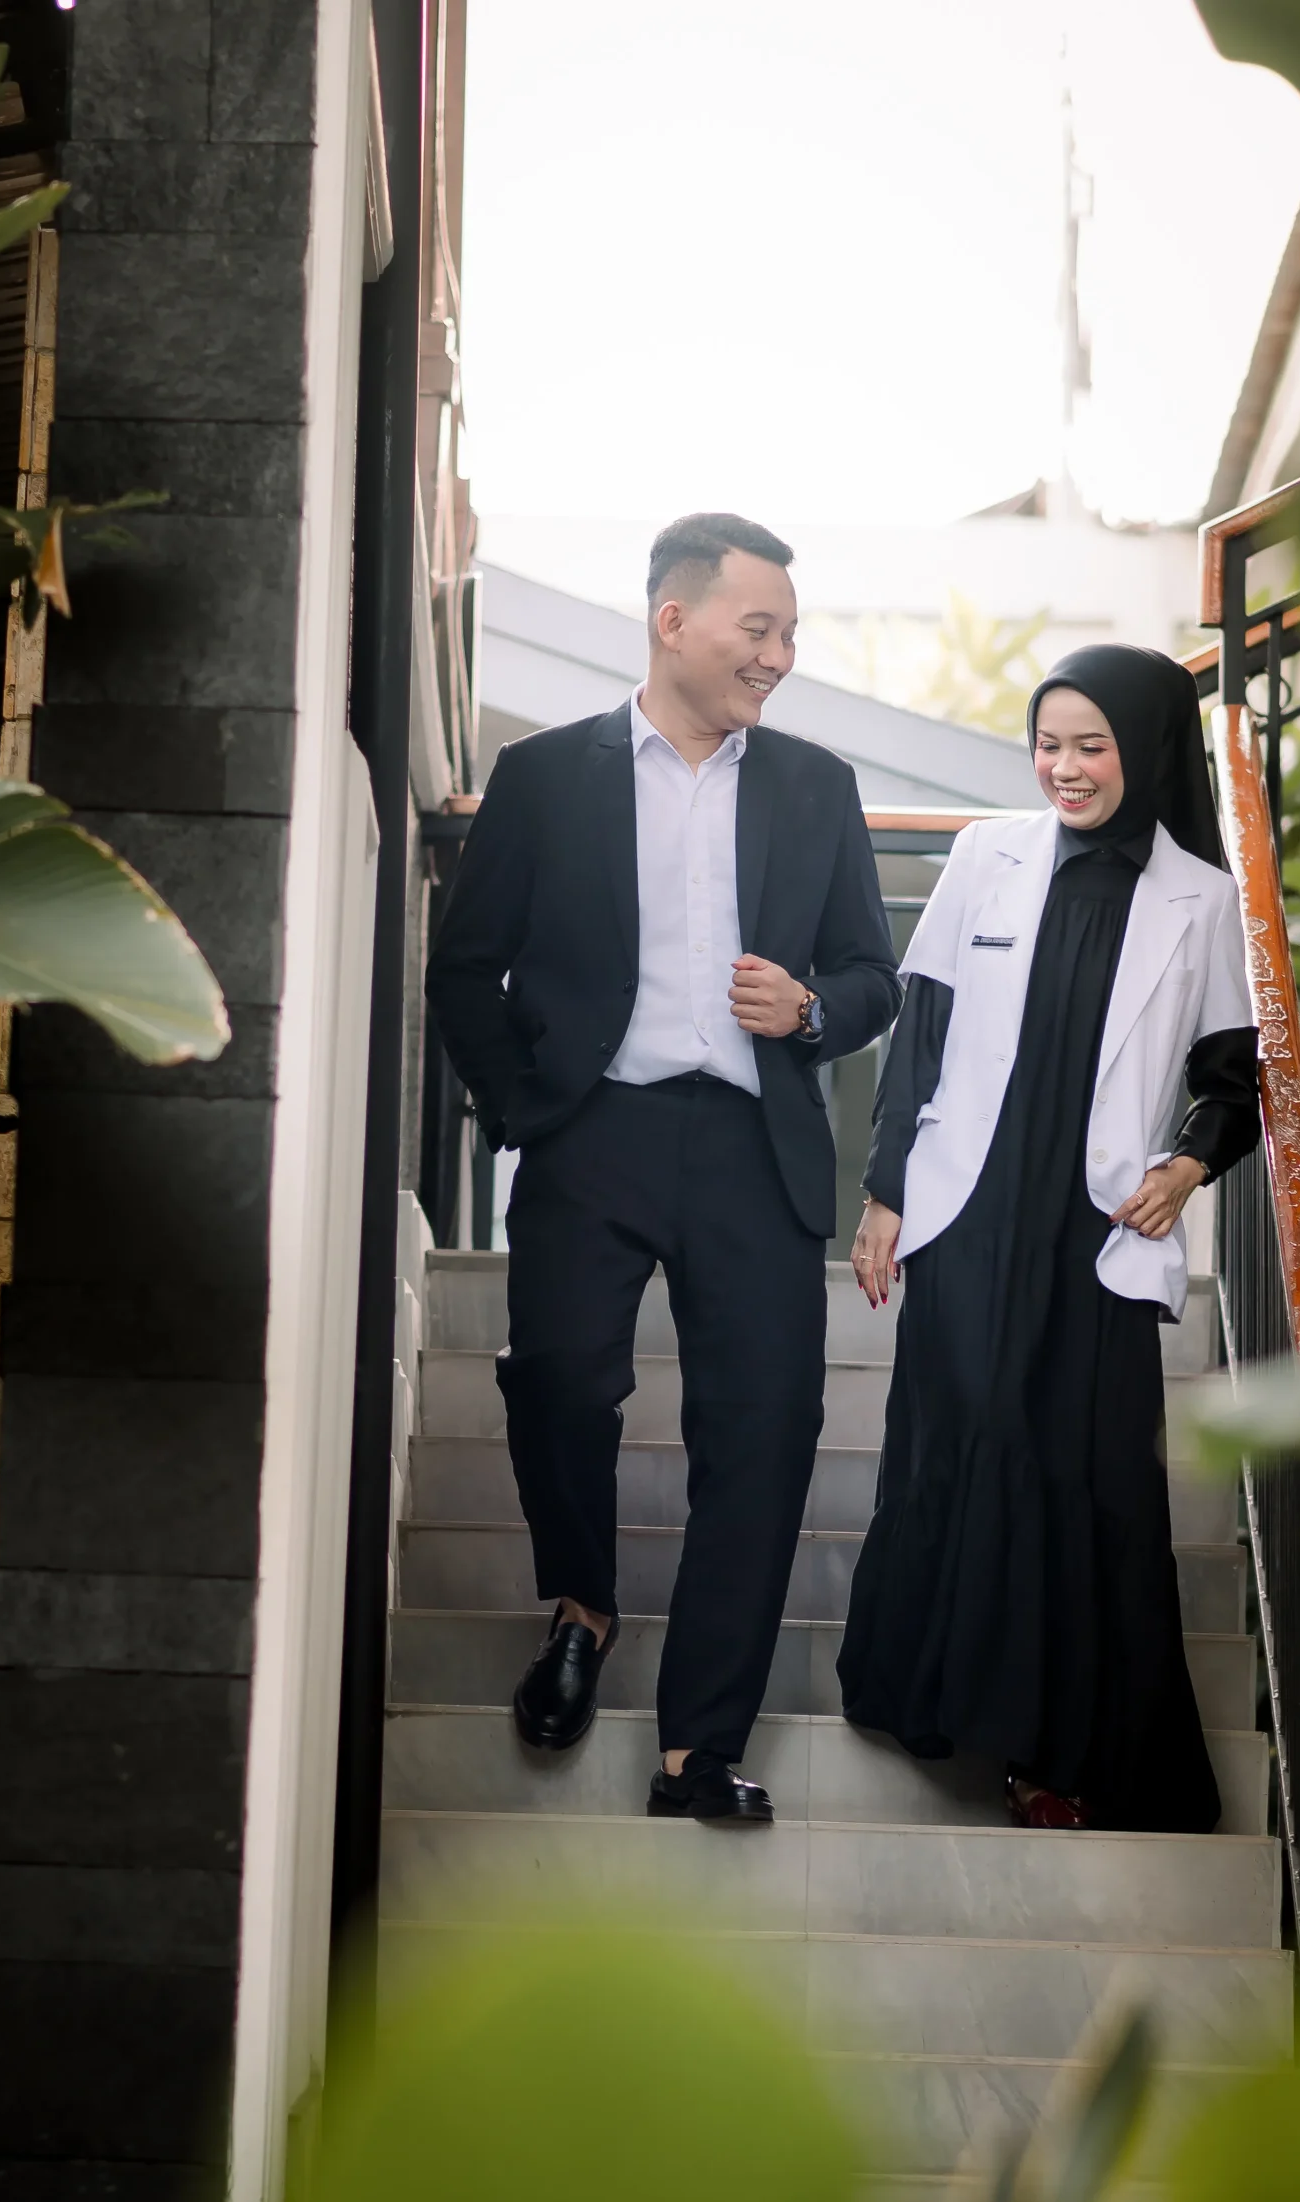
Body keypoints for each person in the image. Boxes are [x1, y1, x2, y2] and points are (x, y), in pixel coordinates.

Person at [426, 513, 901, 1821]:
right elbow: (464, 969)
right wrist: (526, 1110)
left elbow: (872, 977)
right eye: (758, 629)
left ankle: (698, 1747)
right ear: (672, 620)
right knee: (557, 1382)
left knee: (763, 1432)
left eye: (789, 635)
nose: (777, 657)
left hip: (753, 1144)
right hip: (593, 1131)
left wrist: (807, 1010)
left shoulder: (814, 787)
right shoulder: (545, 777)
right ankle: (582, 1604)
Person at [838, 645, 1260, 1832]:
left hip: (1096, 1232)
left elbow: (1235, 1076)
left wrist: (1185, 1168)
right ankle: (941, 1699)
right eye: (1046, 744)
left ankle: (1055, 1752)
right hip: (970, 1212)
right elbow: (918, 1035)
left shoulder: (1200, 898)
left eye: (1090, 746)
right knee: (965, 1437)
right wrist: (884, 1194)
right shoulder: (985, 855)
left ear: (1145, 749)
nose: (1063, 768)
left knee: (1081, 1471)